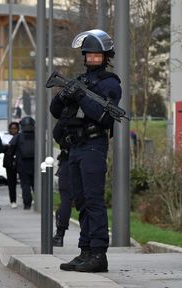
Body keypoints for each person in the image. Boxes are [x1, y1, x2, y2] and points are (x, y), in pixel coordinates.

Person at [50, 29, 121, 273]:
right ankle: (85, 251)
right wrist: (64, 95)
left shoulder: (110, 83)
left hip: (94, 145)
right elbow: (56, 111)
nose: (91, 58)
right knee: (80, 201)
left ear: (105, 56)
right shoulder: (80, 81)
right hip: (75, 147)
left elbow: (102, 116)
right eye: (88, 54)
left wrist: (80, 96)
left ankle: (99, 253)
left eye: (96, 55)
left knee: (93, 200)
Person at [7, 117, 35, 210]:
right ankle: (40, 202)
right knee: (36, 184)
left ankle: (27, 204)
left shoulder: (18, 137)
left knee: (25, 185)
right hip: (35, 164)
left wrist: (11, 162)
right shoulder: (38, 136)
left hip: (22, 164)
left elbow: (10, 151)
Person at [3, 121, 20, 208]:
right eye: (11, 128)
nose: (13, 130)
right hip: (9, 162)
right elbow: (2, 148)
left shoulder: (20, 137)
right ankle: (13, 200)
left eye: (15, 128)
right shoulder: (5, 137)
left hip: (20, 162)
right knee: (11, 183)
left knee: (25, 181)